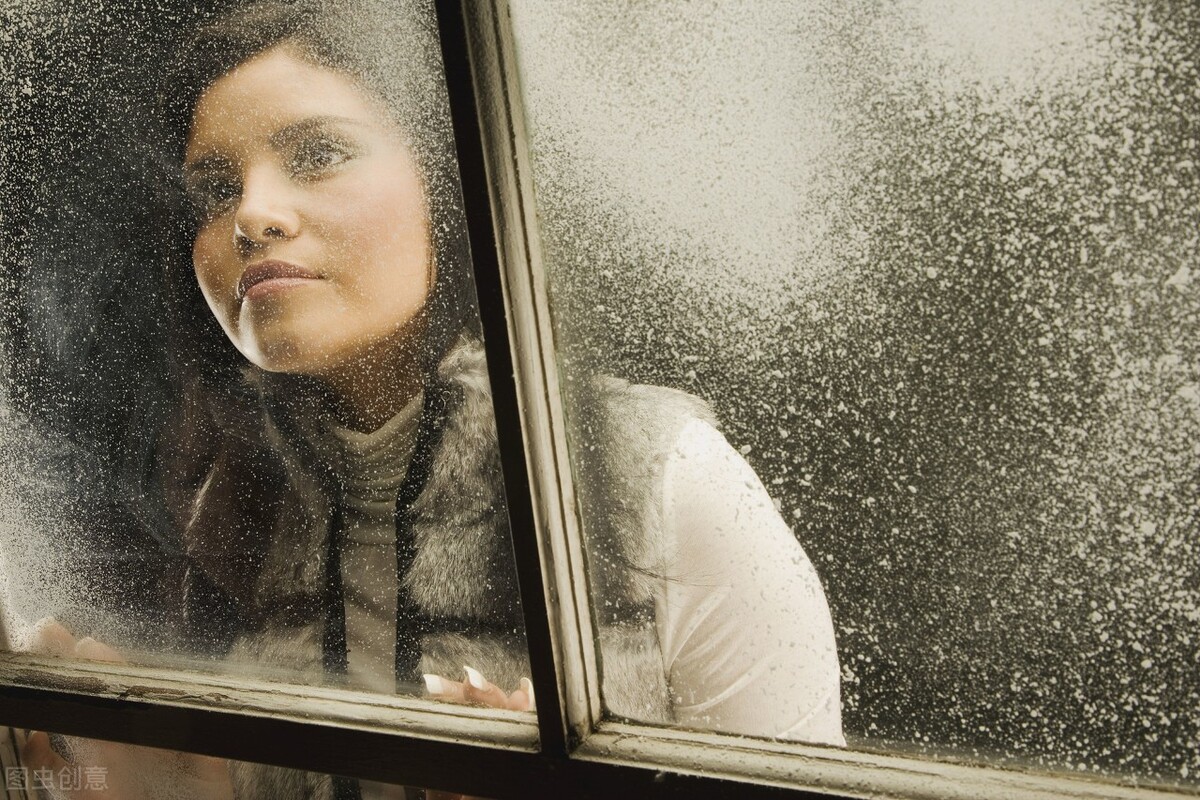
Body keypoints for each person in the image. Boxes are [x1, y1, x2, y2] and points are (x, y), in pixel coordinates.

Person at [19, 1, 843, 797]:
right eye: (215, 189)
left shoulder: (655, 479)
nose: (254, 215)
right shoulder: (234, 516)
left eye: (318, 153)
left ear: (451, 183)